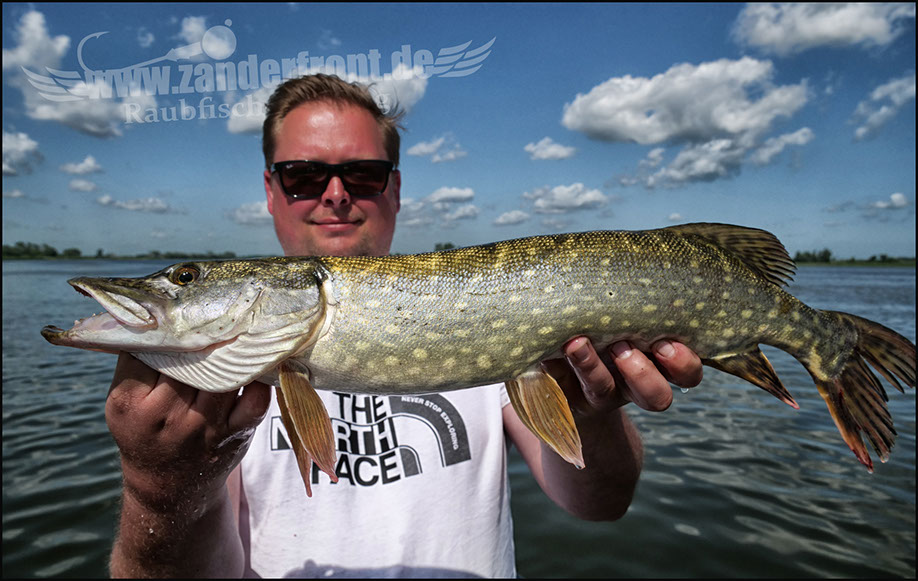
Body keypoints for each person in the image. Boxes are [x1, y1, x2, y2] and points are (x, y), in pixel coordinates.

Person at [106, 74, 703, 577]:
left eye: (362, 174)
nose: (335, 194)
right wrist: (159, 488)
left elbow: (599, 503)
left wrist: (595, 414)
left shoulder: (490, 306)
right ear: (271, 188)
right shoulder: (221, 374)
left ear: (394, 187)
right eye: (303, 175)